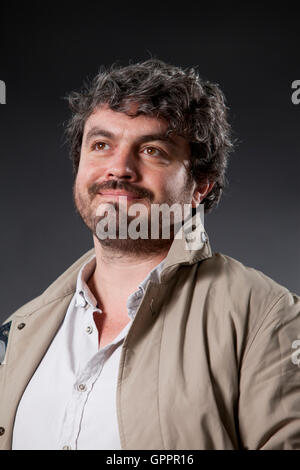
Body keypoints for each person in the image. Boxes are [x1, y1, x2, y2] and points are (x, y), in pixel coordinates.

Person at [0, 59, 299, 450]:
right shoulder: (21, 330)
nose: (119, 168)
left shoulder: (266, 316)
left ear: (200, 186)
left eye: (153, 150)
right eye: (102, 145)